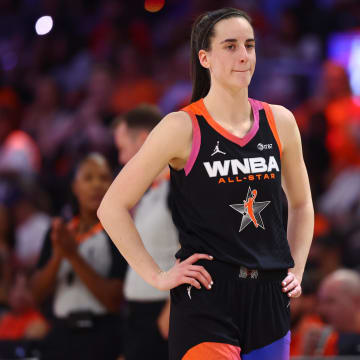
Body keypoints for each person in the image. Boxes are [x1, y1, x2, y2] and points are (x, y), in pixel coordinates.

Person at [98, 7, 314, 360]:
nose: (244, 56)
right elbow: (111, 207)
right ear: (205, 57)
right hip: (207, 296)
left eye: (250, 45)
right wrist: (158, 276)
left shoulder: (280, 121)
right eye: (230, 46)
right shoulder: (180, 126)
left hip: (270, 297)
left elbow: (303, 205)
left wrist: (298, 268)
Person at [31, 153, 127, 360]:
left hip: (103, 335)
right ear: (75, 187)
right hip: (61, 334)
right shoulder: (59, 232)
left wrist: (73, 256)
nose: (97, 185)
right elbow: (36, 294)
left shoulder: (119, 230)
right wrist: (58, 255)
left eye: (103, 178)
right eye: (88, 178)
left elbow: (113, 300)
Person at [113, 104, 179, 360]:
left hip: (162, 314)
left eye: (122, 149)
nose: (120, 159)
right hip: (139, 317)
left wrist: (174, 307)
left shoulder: (176, 186)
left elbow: (200, 244)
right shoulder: (151, 191)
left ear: (143, 141)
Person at [317, 269, 360, 356]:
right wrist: (309, 355)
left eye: (331, 301)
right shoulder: (325, 341)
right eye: (321, 302)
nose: (322, 310)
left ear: (357, 301)